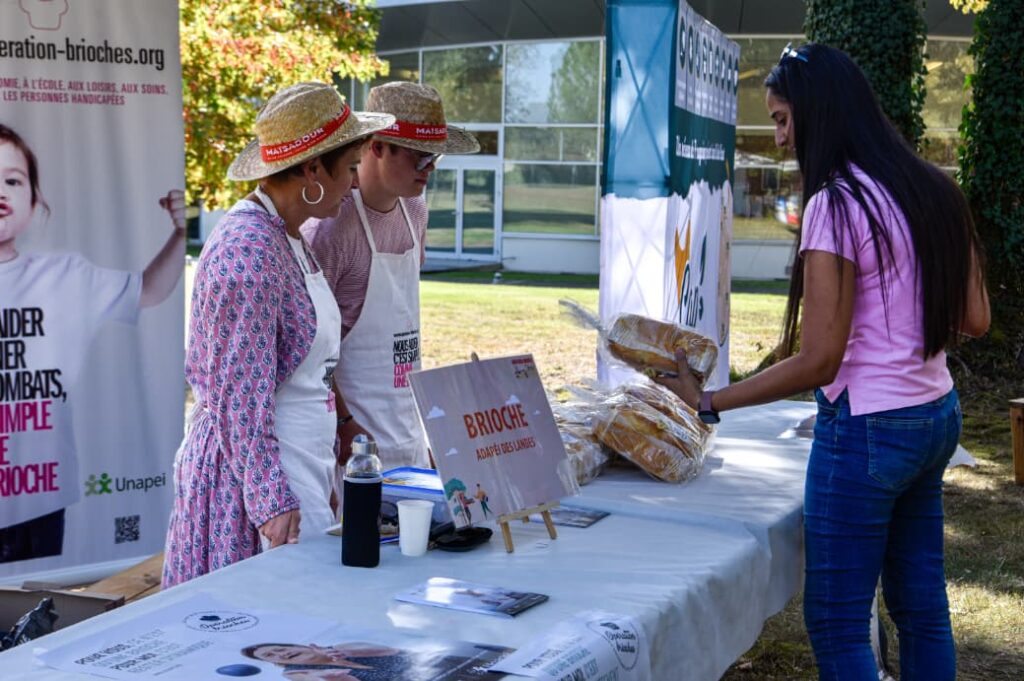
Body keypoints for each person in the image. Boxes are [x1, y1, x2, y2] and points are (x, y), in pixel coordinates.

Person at [654, 44, 990, 680]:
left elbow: (819, 360)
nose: (778, 139)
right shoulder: (936, 189)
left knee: (838, 624)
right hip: (935, 415)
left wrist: (708, 400)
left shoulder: (835, 203)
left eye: (782, 119)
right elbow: (975, 320)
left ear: (820, 113)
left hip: (868, 432)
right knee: (922, 609)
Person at [161, 83, 395, 587]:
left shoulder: (287, 236)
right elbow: (238, 396)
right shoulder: (248, 252)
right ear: (312, 171)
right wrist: (270, 499)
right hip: (255, 484)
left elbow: (306, 371)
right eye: (351, 167)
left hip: (296, 466)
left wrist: (325, 462)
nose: (355, 183)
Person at [0, 122, 184, 564]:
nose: (1, 191)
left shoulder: (64, 275)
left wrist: (181, 234)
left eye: (12, 180)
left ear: (34, 198)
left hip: (38, 501)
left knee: (36, 612)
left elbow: (150, 290)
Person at [303, 82, 479, 470]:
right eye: (420, 158)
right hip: (353, 450)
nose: (429, 168)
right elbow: (309, 350)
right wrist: (345, 426)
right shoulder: (331, 229)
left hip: (407, 430)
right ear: (377, 147)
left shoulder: (414, 209)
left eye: (436, 158)